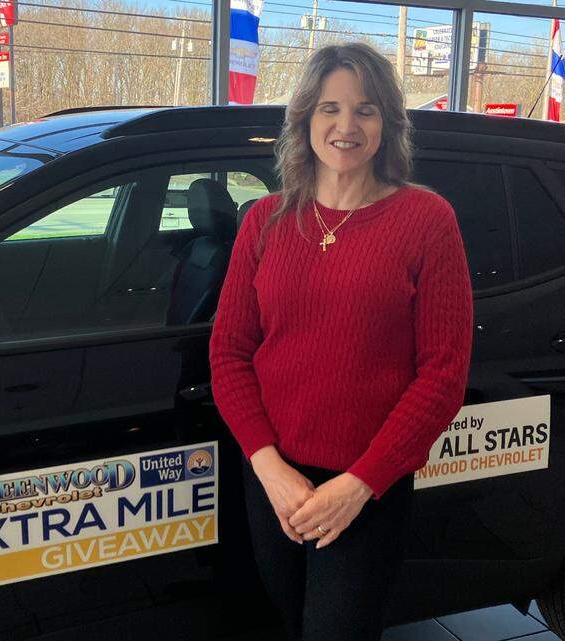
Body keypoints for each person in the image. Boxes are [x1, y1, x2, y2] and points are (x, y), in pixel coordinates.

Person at [209, 43, 474, 641]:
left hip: (366, 485)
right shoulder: (266, 220)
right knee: (279, 624)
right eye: (330, 108)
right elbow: (229, 354)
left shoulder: (427, 220)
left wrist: (360, 485)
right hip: (273, 479)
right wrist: (270, 467)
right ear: (305, 119)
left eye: (367, 110)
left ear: (389, 125)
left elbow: (442, 374)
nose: (346, 126)